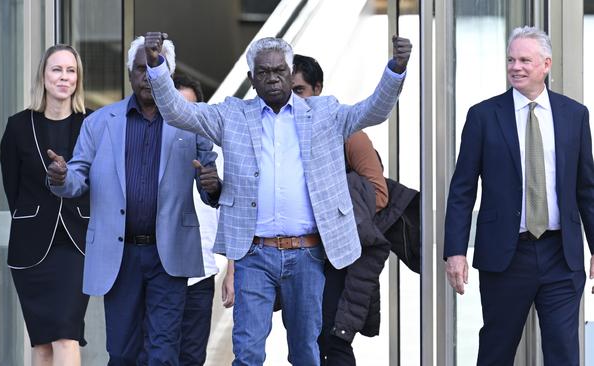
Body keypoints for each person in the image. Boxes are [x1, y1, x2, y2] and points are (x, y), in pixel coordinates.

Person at [146, 32, 411, 365]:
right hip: (254, 254)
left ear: (289, 70)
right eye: (264, 72)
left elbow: (374, 111)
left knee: (305, 353)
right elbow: (178, 114)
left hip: (307, 253)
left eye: (279, 71)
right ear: (251, 79)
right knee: (248, 353)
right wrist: (156, 66)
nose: (272, 78)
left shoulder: (324, 112)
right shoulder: (232, 115)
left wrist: (396, 69)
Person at [46, 37, 221, 365]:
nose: (146, 76)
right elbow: (77, 177)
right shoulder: (99, 123)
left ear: (167, 73)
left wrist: (212, 187)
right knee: (123, 352)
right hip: (120, 254)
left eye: (154, 68)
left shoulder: (190, 120)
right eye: (140, 68)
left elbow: (208, 180)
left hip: (168, 253)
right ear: (129, 74)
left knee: (164, 351)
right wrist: (60, 178)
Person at [444, 26, 594, 366]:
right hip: (506, 256)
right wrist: (455, 251)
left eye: (525, 59)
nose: (516, 66)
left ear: (546, 64)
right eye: (511, 59)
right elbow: (462, 188)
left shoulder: (574, 115)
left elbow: (587, 189)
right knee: (497, 350)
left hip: (561, 255)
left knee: (563, 353)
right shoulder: (483, 116)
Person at [291, 54, 391, 365]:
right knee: (303, 343)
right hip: (296, 252)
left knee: (334, 342)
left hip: (339, 256)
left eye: (300, 90)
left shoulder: (348, 134)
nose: (293, 98)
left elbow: (378, 195)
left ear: (317, 89)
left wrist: (328, 209)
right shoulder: (280, 135)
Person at [0, 44, 91, 366]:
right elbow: (13, 187)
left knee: (66, 335)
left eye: (71, 71)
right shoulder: (18, 126)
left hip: (77, 244)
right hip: (31, 248)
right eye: (57, 69)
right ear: (43, 75)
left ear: (77, 79)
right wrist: (32, 219)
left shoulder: (92, 124)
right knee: (42, 345)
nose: (64, 77)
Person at [173, 73, 219, 365]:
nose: (183, 116)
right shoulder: (154, 151)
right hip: (160, 270)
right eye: (176, 106)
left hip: (202, 271)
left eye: (189, 109)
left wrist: (233, 271)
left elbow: (232, 209)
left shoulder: (213, 151)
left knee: (192, 358)